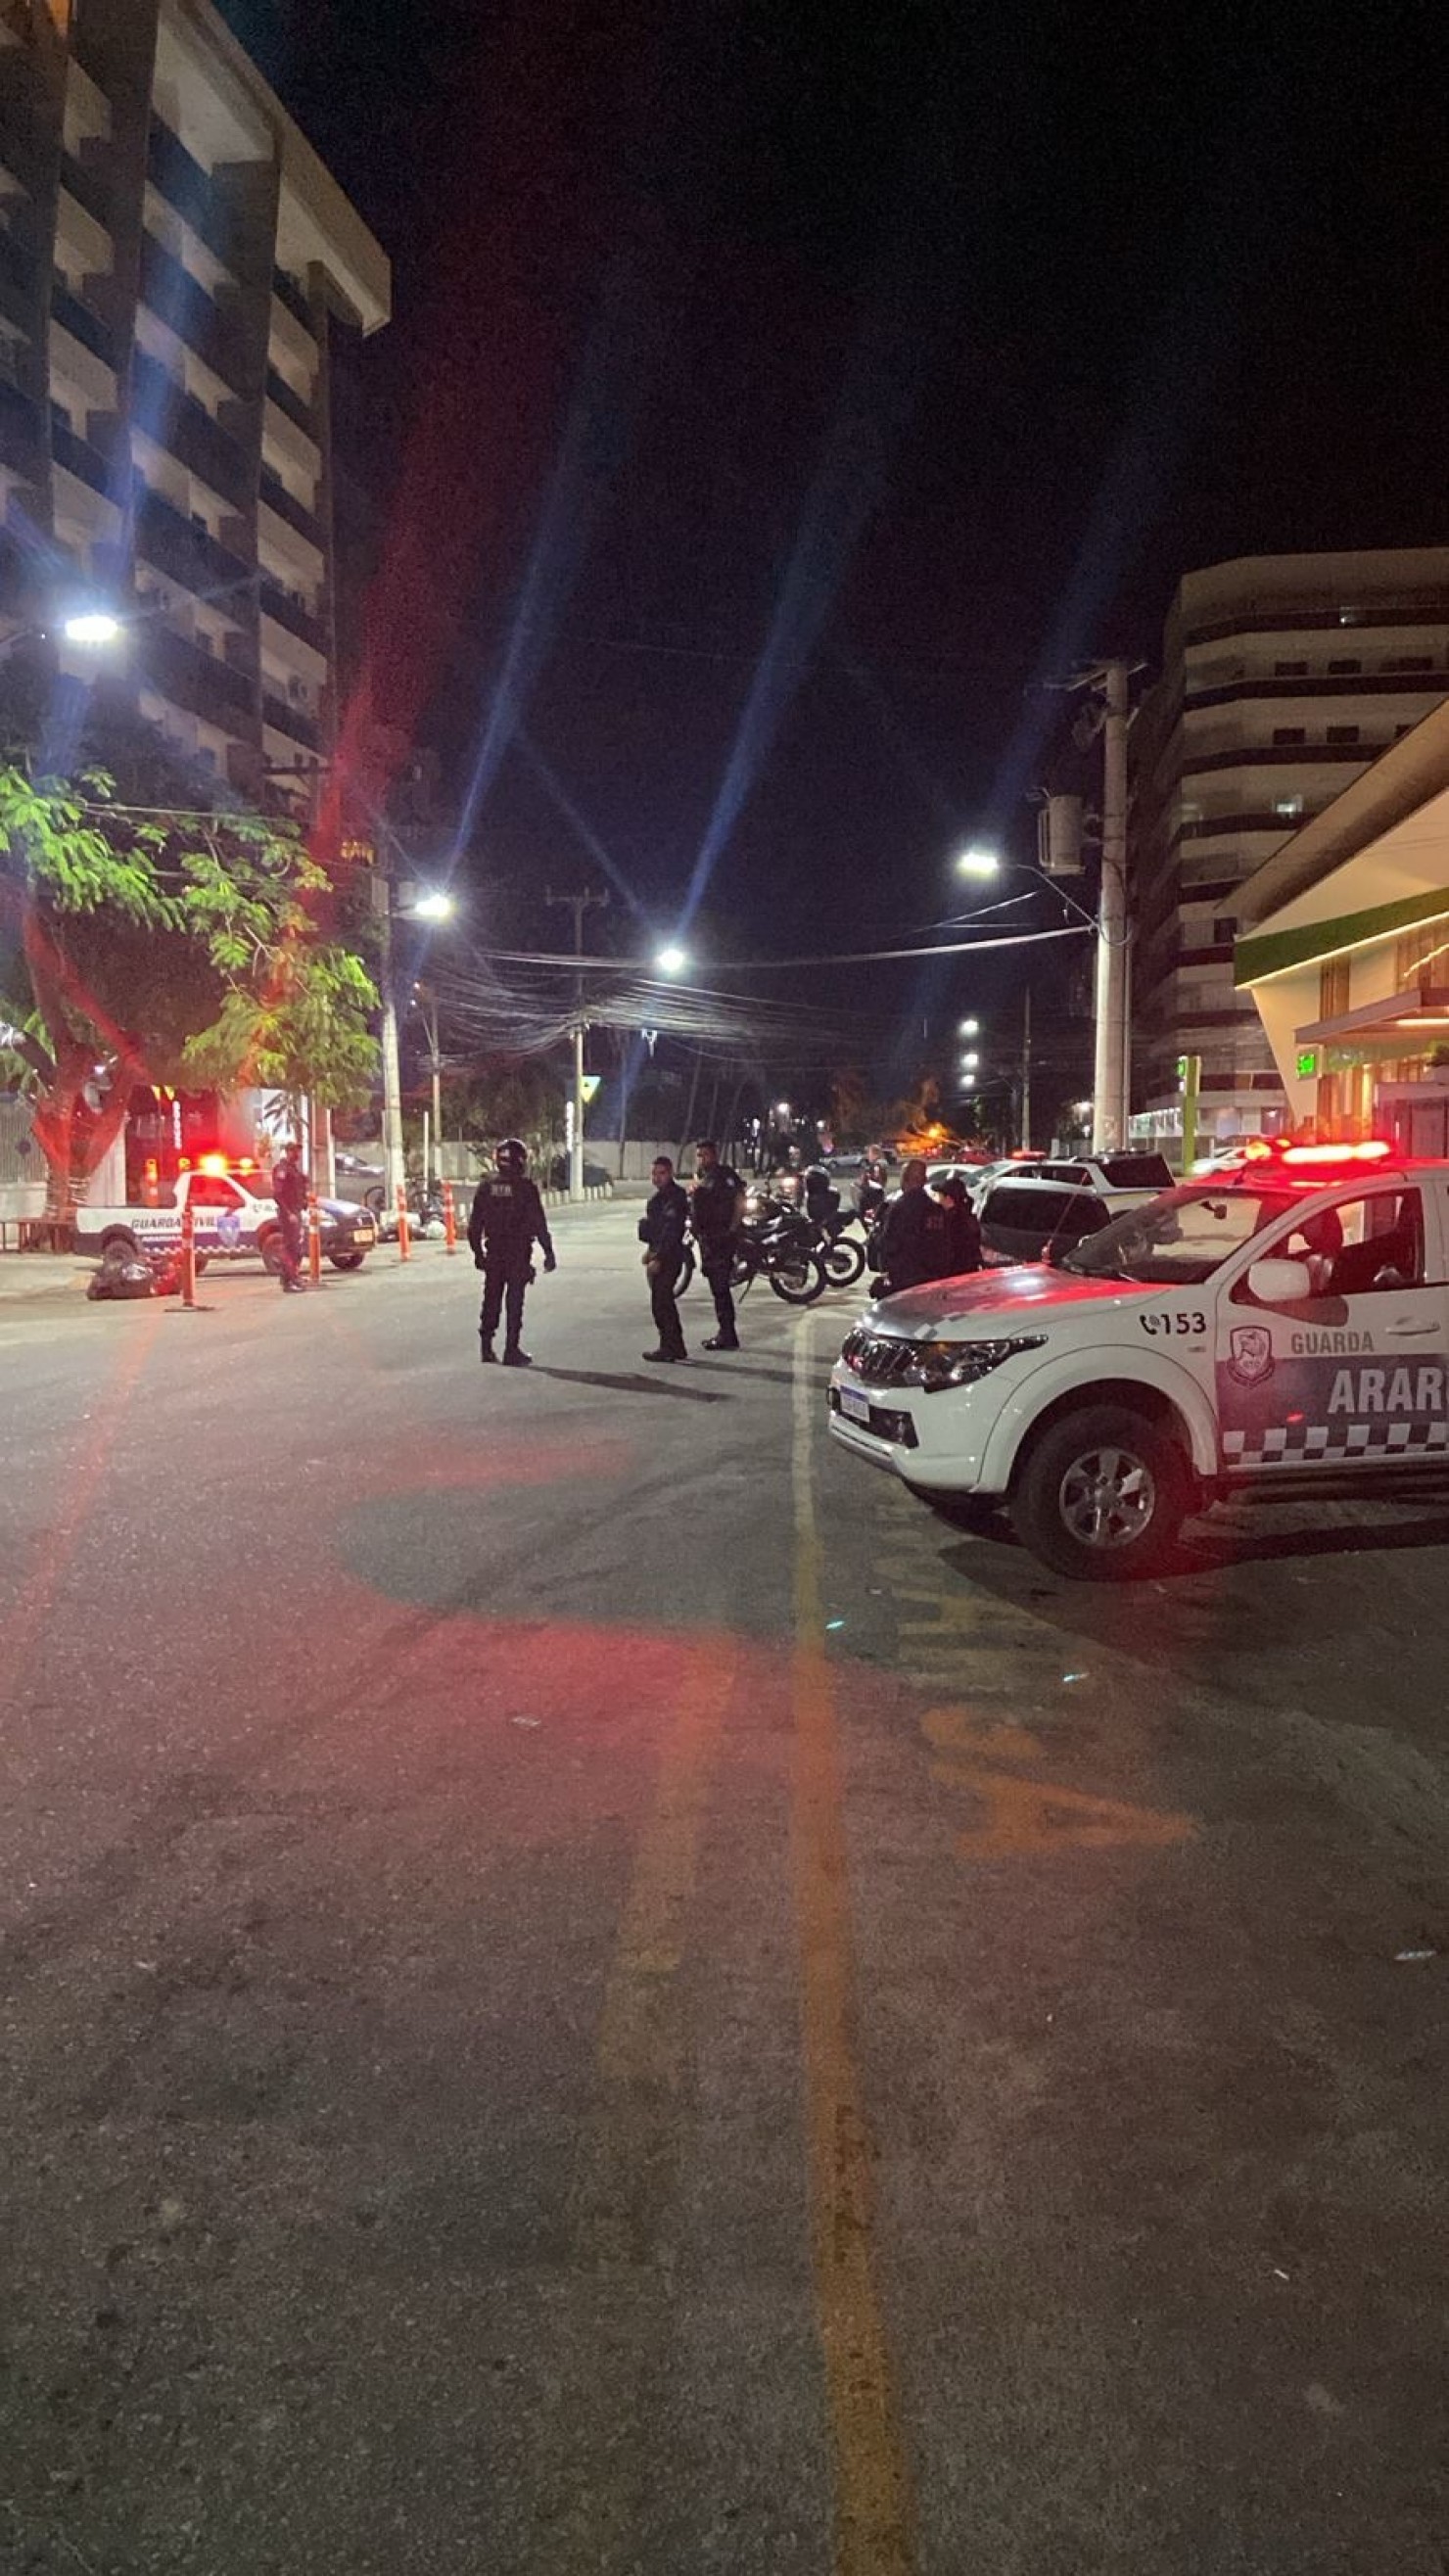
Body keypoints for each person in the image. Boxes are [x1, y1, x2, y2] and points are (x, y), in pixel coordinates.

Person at [467, 1137, 556, 1366]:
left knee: (491, 1298)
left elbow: (475, 1224)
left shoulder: (487, 1186)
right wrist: (548, 1252)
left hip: (494, 1252)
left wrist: (478, 1253)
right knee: (514, 1302)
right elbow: (539, 1222)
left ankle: (486, 1348)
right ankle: (511, 1349)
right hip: (517, 1253)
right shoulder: (525, 1188)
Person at [689, 1137, 744, 1351]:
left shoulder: (724, 1176)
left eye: (706, 1154)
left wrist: (732, 1229)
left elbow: (739, 1200)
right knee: (717, 1287)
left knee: (720, 1288)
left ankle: (727, 1334)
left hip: (721, 1239)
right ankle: (726, 1332)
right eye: (699, 1155)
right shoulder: (704, 1178)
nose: (702, 1159)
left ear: (715, 1155)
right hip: (709, 1239)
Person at [640, 1152, 689, 1362]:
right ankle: (675, 1346)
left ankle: (669, 1347)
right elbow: (656, 1230)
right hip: (660, 1252)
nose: (657, 1177)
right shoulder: (658, 1199)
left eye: (661, 1173)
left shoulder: (675, 1197)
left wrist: (658, 1258)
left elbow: (671, 1231)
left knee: (661, 1302)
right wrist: (649, 1251)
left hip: (670, 1256)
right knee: (663, 1301)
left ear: (670, 1173)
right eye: (654, 1173)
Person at [876, 1157, 944, 1294]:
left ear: (904, 1179)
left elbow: (887, 1244)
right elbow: (943, 1245)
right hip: (931, 1277)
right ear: (925, 1180)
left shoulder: (898, 1209)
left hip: (903, 1277)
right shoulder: (936, 1210)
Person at [270, 1138, 308, 1293]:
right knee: (291, 1247)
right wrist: (289, 1213)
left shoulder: (294, 1169)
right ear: (287, 1152)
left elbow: (299, 1189)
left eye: (298, 1150)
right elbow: (278, 1194)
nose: (297, 1153)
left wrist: (304, 1202)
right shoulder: (282, 1169)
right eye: (293, 1150)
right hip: (289, 1213)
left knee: (296, 1248)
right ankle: (289, 1280)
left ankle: (291, 1276)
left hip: (296, 1211)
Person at [933, 1172, 983, 1279]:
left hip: (955, 1275)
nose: (938, 1201)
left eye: (940, 1196)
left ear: (949, 1199)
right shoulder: (968, 1217)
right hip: (969, 1273)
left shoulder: (953, 1221)